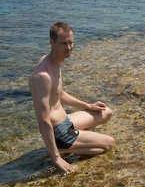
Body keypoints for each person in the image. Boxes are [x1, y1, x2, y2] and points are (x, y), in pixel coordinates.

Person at [29, 22, 116, 175]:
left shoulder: (53, 61)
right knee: (109, 144)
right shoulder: (43, 76)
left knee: (106, 112)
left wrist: (88, 105)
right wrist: (56, 158)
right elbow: (43, 120)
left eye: (71, 42)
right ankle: (61, 149)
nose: (69, 48)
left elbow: (59, 94)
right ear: (52, 43)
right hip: (58, 132)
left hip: (66, 121)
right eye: (64, 43)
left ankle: (74, 142)